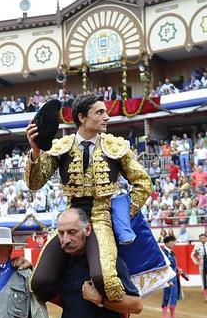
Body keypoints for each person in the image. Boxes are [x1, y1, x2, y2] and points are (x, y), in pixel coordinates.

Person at [25, 93, 159, 302]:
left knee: (105, 280)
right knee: (39, 282)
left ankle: (109, 311)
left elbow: (144, 183)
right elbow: (34, 184)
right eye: (100, 112)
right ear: (82, 118)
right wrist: (35, 151)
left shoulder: (116, 147)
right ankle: (74, 304)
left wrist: (120, 213)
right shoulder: (61, 147)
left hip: (101, 218)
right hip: (70, 219)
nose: (107, 117)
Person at [51, 208, 142, 318]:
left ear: (87, 230)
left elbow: (136, 305)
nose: (65, 239)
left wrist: (101, 300)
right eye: (61, 233)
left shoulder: (110, 263)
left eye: (72, 232)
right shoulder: (62, 264)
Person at [161, 235, 188, 318]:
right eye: (172, 242)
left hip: (175, 277)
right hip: (168, 278)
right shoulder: (163, 253)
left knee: (174, 296)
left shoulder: (171, 253)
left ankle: (172, 316)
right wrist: (167, 280)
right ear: (167, 243)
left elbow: (173, 266)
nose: (174, 244)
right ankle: (164, 317)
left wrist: (178, 270)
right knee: (167, 296)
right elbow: (162, 267)